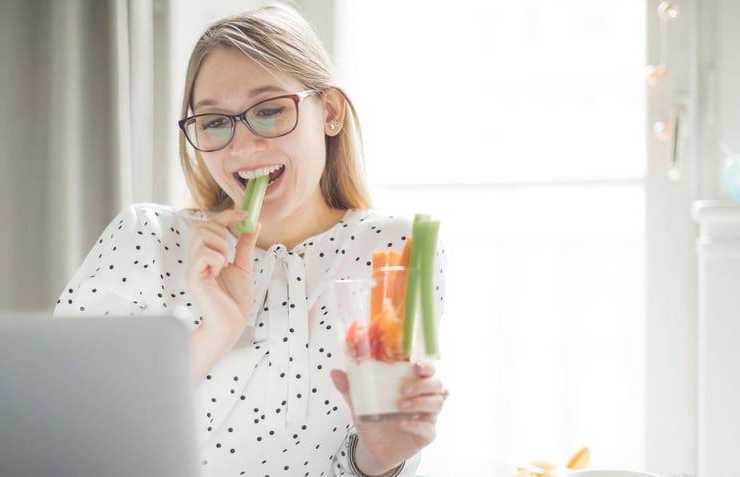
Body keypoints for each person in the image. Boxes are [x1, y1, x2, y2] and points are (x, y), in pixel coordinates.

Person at [54, 3, 448, 476]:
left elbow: (370, 452)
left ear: (331, 112)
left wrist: (381, 459)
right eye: (216, 122)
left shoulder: (396, 250)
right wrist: (215, 331)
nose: (242, 147)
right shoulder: (148, 239)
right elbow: (75, 438)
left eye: (269, 110)